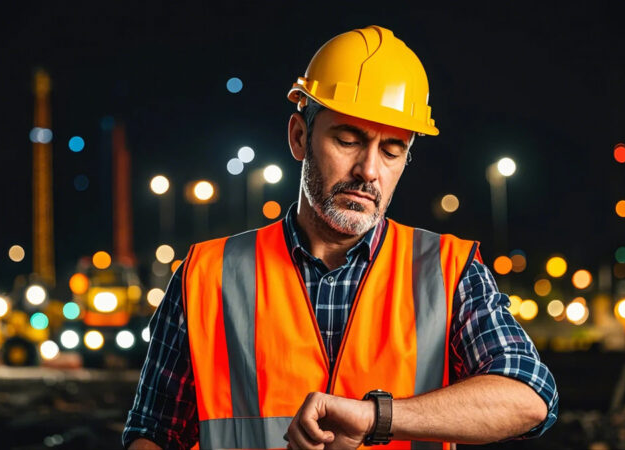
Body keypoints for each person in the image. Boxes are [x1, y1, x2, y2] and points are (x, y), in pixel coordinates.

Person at [123, 25, 558, 449]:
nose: (369, 171)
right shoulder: (208, 275)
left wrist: (376, 418)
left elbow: (529, 396)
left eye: (392, 151)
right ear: (299, 137)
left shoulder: (447, 271)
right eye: (348, 140)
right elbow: (153, 432)